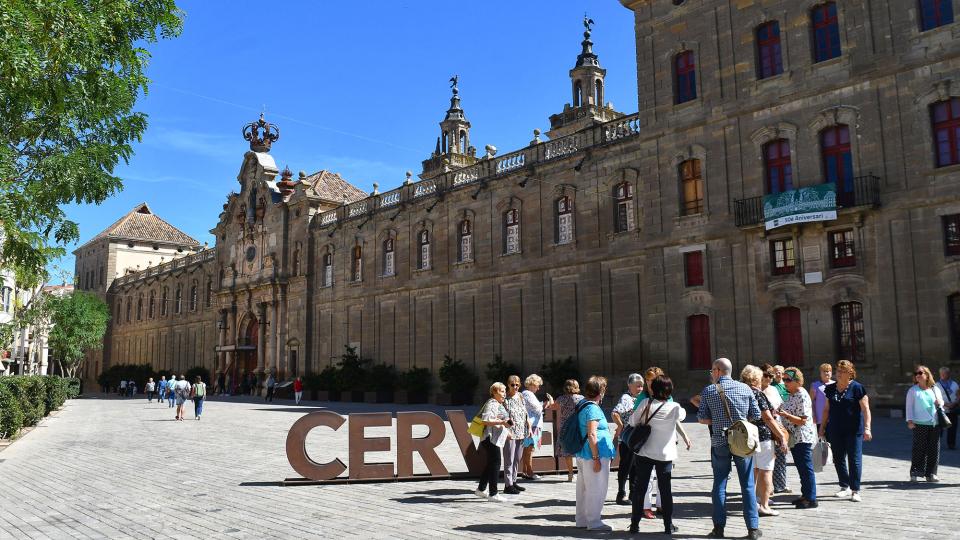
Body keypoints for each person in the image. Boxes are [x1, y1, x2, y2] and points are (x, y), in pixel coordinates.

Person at [697, 358, 762, 540]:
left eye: (712, 371)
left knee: (719, 483)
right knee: (747, 485)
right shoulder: (745, 388)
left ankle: (718, 528)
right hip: (742, 441)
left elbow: (701, 418)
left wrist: (718, 421)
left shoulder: (709, 391)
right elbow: (755, 415)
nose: (711, 374)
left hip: (720, 441)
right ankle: (753, 528)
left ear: (718, 371)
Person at [628, 375, 684, 535]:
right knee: (665, 490)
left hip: (645, 452)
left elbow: (632, 421)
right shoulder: (675, 407)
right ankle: (668, 525)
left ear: (653, 389)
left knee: (640, 489)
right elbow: (683, 416)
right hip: (665, 455)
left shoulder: (646, 403)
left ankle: (634, 524)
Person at [819, 360, 872, 502]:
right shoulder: (830, 388)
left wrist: (867, 428)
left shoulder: (857, 388)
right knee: (838, 458)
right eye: (837, 371)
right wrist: (822, 428)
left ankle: (855, 490)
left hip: (854, 430)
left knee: (854, 459)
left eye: (842, 371)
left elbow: (865, 409)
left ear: (850, 373)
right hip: (835, 429)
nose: (838, 374)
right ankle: (844, 486)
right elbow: (826, 410)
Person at [741, 365, 788, 517]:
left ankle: (752, 502)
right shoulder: (758, 394)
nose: (762, 381)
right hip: (762, 436)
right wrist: (780, 436)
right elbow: (767, 418)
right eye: (760, 378)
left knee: (753, 471)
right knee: (766, 471)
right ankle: (764, 505)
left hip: (746, 437)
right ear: (755, 379)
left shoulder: (741, 392)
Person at [575, 375, 615, 532]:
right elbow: (592, 434)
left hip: (583, 452)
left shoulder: (583, 404)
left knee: (583, 488)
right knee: (596, 488)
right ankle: (594, 521)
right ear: (601, 391)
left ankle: (582, 519)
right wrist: (597, 457)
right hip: (594, 453)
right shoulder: (593, 408)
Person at [778, 367, 818, 509]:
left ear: (797, 381)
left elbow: (802, 420)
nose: (785, 382)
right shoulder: (791, 394)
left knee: (806, 468)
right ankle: (805, 494)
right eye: (784, 380)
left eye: (788, 380)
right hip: (794, 437)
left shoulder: (801, 394)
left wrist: (786, 415)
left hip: (802, 436)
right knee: (801, 467)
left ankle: (811, 499)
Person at [906, 365, 945, 482]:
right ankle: (915, 472)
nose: (917, 375)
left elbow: (941, 402)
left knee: (934, 449)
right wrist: (910, 420)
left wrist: (940, 403)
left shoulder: (935, 388)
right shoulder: (913, 390)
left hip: (934, 423)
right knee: (919, 448)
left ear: (927, 375)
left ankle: (931, 473)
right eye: (915, 373)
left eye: (920, 373)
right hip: (919, 424)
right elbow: (909, 407)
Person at [474, 382, 511, 502]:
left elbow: (500, 419)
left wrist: (507, 428)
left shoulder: (499, 404)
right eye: (501, 391)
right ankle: (493, 493)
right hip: (490, 438)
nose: (504, 394)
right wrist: (502, 423)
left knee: (491, 463)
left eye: (505, 391)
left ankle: (481, 489)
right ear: (494, 392)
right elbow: (486, 420)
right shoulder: (492, 403)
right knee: (495, 463)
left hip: (493, 438)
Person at [612, 373, 643, 506]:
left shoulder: (639, 398)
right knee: (626, 465)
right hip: (627, 438)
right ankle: (621, 493)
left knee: (635, 466)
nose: (640, 388)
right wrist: (621, 426)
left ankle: (633, 492)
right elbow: (614, 413)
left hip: (636, 438)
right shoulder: (626, 398)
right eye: (637, 386)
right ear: (629, 385)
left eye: (642, 386)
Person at [761, 363, 789, 495]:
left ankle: (780, 485)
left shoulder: (773, 389)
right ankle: (767, 487)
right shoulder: (757, 390)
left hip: (777, 424)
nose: (769, 378)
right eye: (766, 375)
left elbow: (780, 406)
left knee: (780, 455)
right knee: (767, 459)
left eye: (771, 376)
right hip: (764, 427)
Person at [519, 374, 553, 481]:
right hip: (531, 425)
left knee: (527, 449)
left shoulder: (527, 394)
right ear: (532, 384)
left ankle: (525, 471)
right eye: (537, 385)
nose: (538, 388)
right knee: (529, 449)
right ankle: (530, 472)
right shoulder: (527, 393)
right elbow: (538, 409)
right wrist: (548, 403)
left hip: (532, 424)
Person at [501, 375, 529, 495]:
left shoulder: (521, 396)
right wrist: (506, 431)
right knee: (509, 459)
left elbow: (524, 411)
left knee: (517, 458)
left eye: (517, 384)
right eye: (513, 385)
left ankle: (514, 480)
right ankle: (508, 485)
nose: (515, 387)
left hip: (521, 431)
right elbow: (502, 416)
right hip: (510, 432)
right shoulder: (505, 399)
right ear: (508, 385)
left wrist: (528, 423)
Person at [551, 379, 583, 482]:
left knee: (567, 450)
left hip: (565, 426)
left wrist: (551, 400)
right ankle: (581, 472)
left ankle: (570, 473)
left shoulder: (561, 399)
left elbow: (553, 407)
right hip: (578, 426)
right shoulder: (581, 398)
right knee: (579, 449)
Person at [938, 367, 958, 450]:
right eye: (941, 373)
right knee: (939, 429)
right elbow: (936, 397)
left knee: (953, 428)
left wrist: (954, 403)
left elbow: (959, 395)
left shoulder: (955, 384)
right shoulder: (936, 385)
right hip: (942, 410)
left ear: (949, 374)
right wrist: (945, 404)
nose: (943, 375)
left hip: (953, 409)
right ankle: (936, 444)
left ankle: (951, 444)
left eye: (945, 373)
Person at [809, 363, 833, 429]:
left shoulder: (836, 384)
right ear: (820, 373)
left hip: (833, 419)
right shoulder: (815, 385)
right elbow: (811, 402)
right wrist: (813, 415)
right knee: (822, 438)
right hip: (820, 419)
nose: (826, 373)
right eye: (824, 371)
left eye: (828, 371)